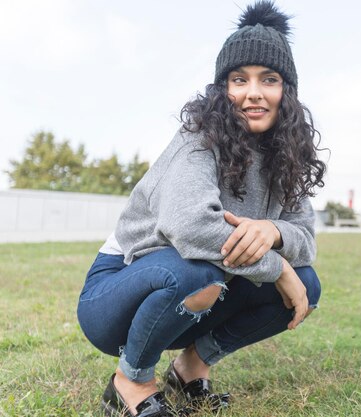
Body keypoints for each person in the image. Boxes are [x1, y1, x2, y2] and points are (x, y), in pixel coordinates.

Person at [76, 1, 326, 415]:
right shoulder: (199, 136)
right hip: (118, 290)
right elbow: (189, 227)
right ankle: (130, 380)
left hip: (203, 287)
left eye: (269, 79)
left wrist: (275, 232)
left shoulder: (286, 154)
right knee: (200, 271)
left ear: (287, 91)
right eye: (238, 79)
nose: (253, 93)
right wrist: (277, 266)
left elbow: (305, 236)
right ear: (221, 88)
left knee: (308, 284)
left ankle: (190, 367)